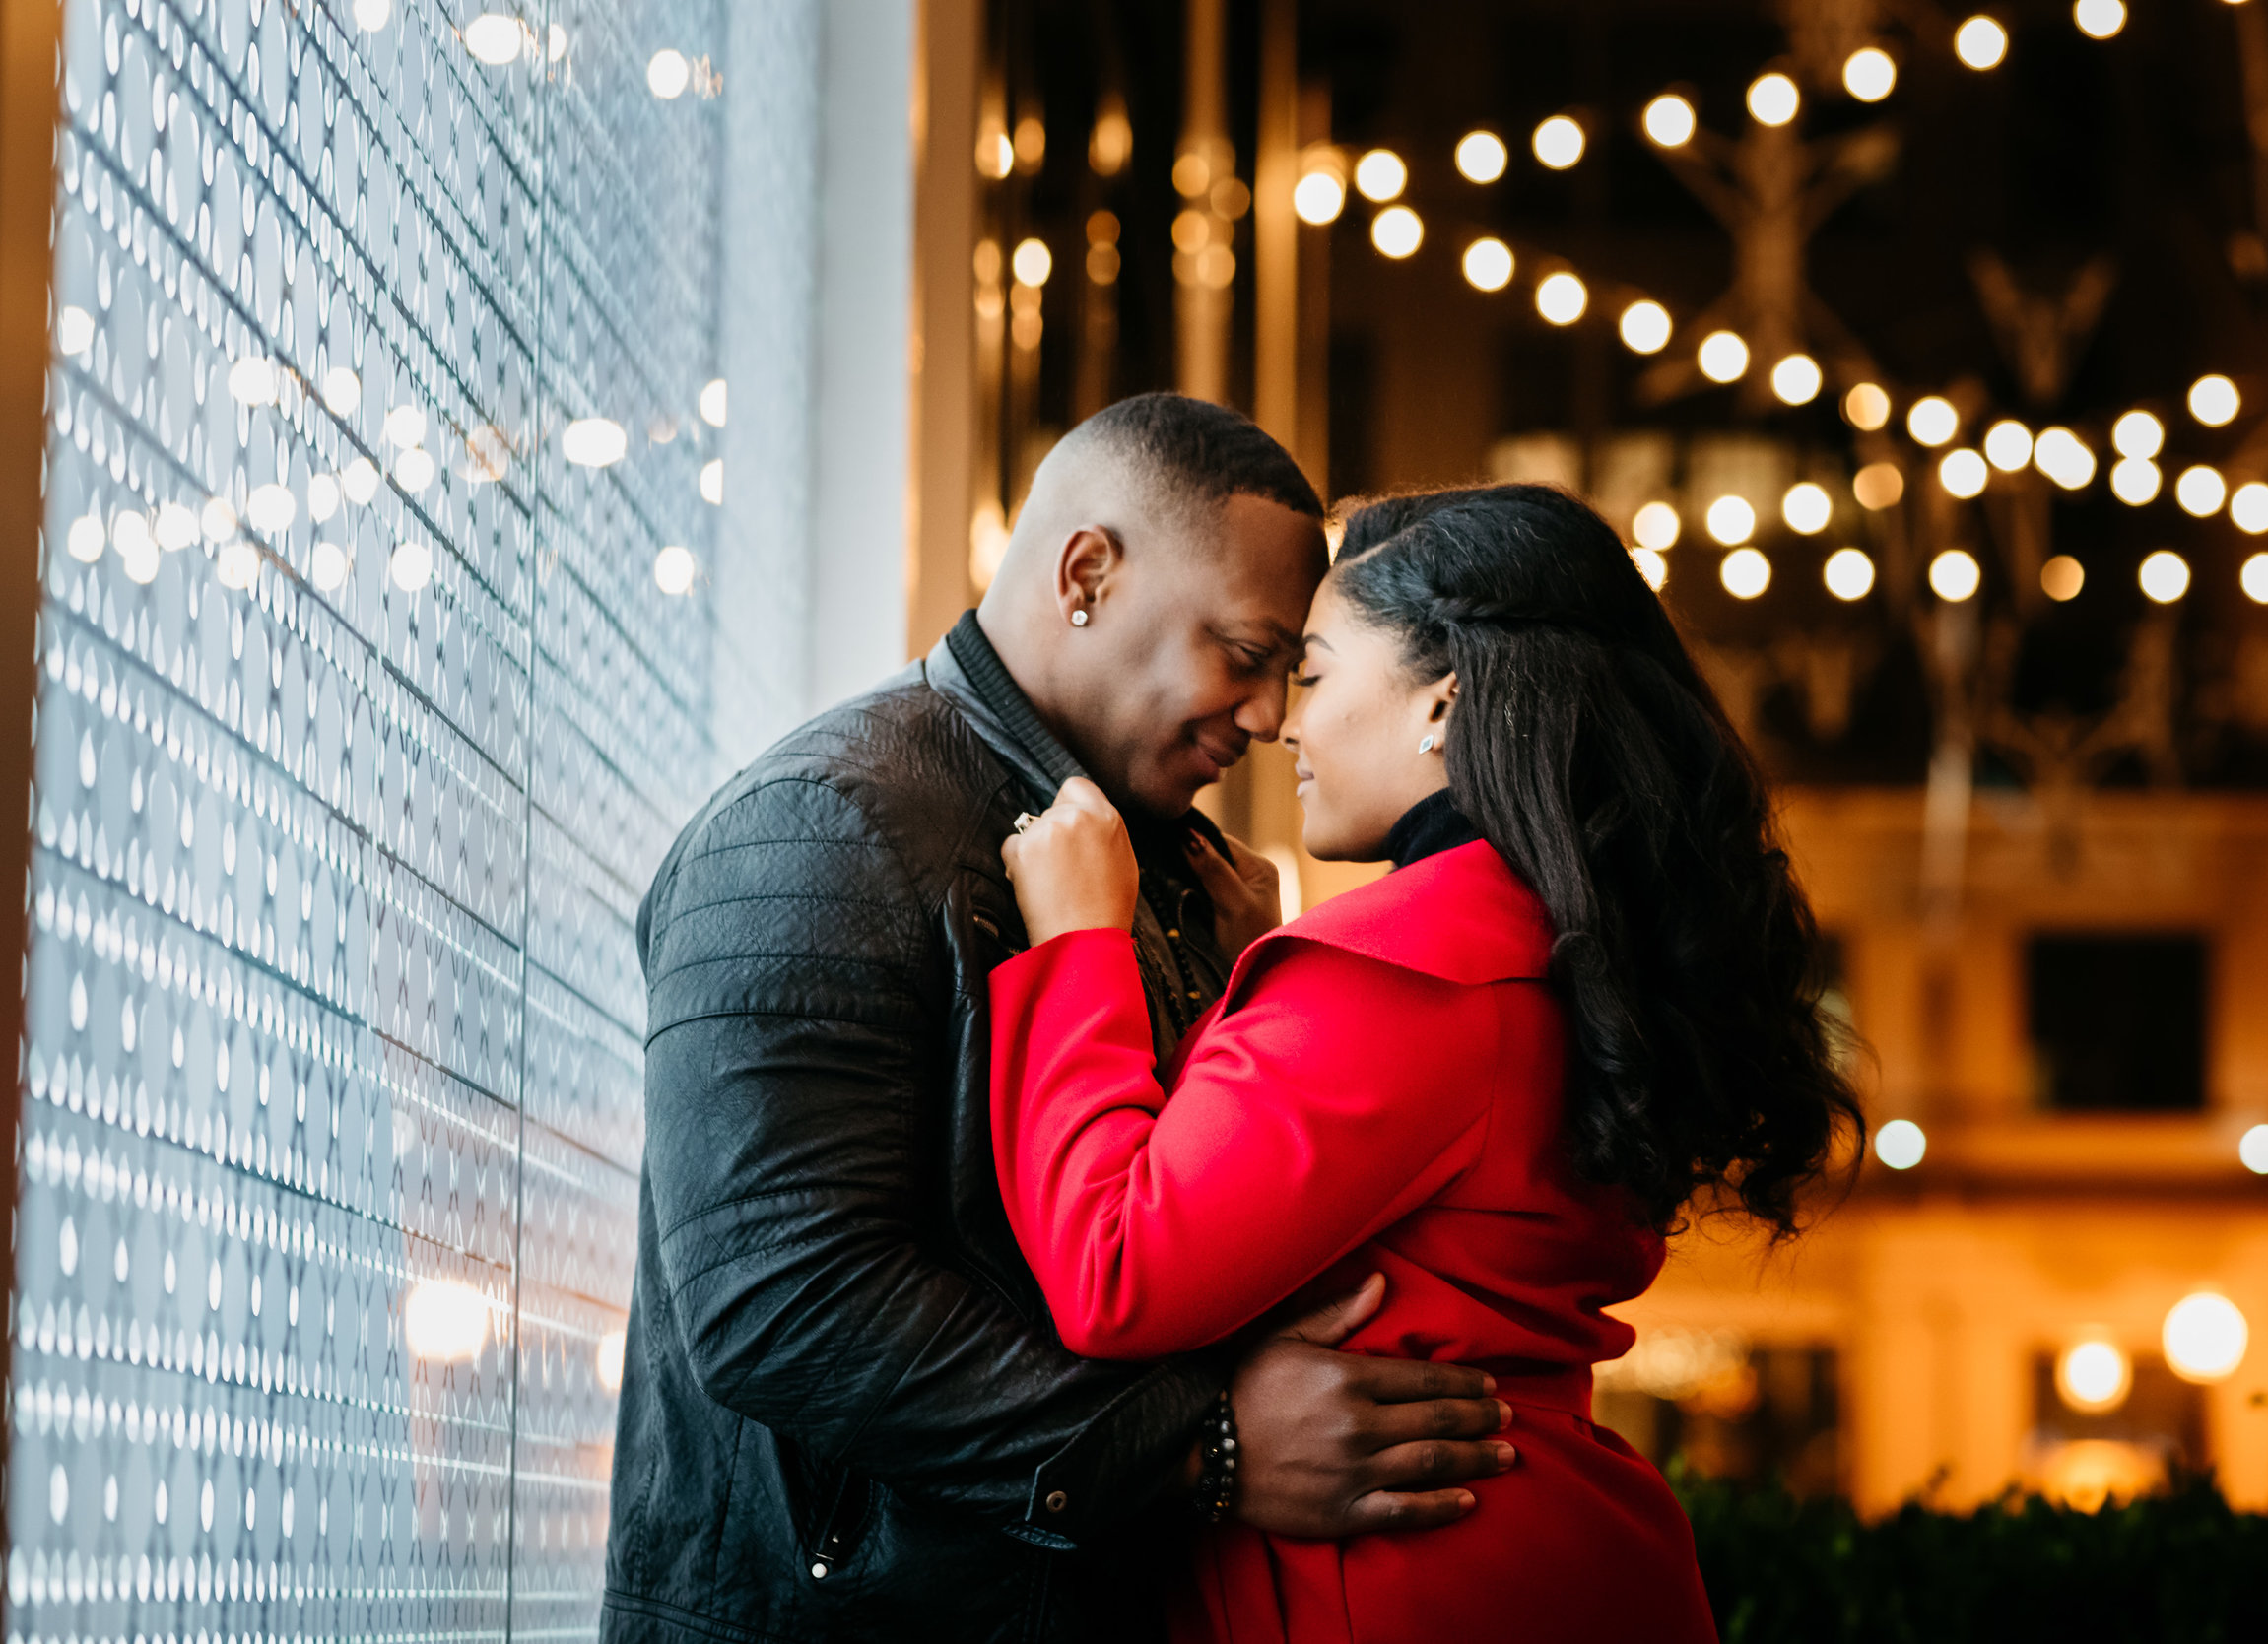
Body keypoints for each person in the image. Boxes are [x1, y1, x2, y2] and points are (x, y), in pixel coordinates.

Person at [604, 397, 1519, 1644]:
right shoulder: (817, 827)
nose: (1264, 720)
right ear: (1085, 572)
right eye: (1246, 652)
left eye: (1288, 671)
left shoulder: (1169, 870)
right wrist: (1207, 1444)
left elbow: (1178, 1245)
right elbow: (782, 1302)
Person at [993, 483, 1864, 1642]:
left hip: (1403, 1580)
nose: (1282, 724)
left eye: (1313, 673)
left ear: (1443, 702)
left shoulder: (1401, 971)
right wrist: (1266, 971)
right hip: (1532, 1559)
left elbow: (1114, 1270)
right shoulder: (1546, 941)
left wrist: (1080, 946)